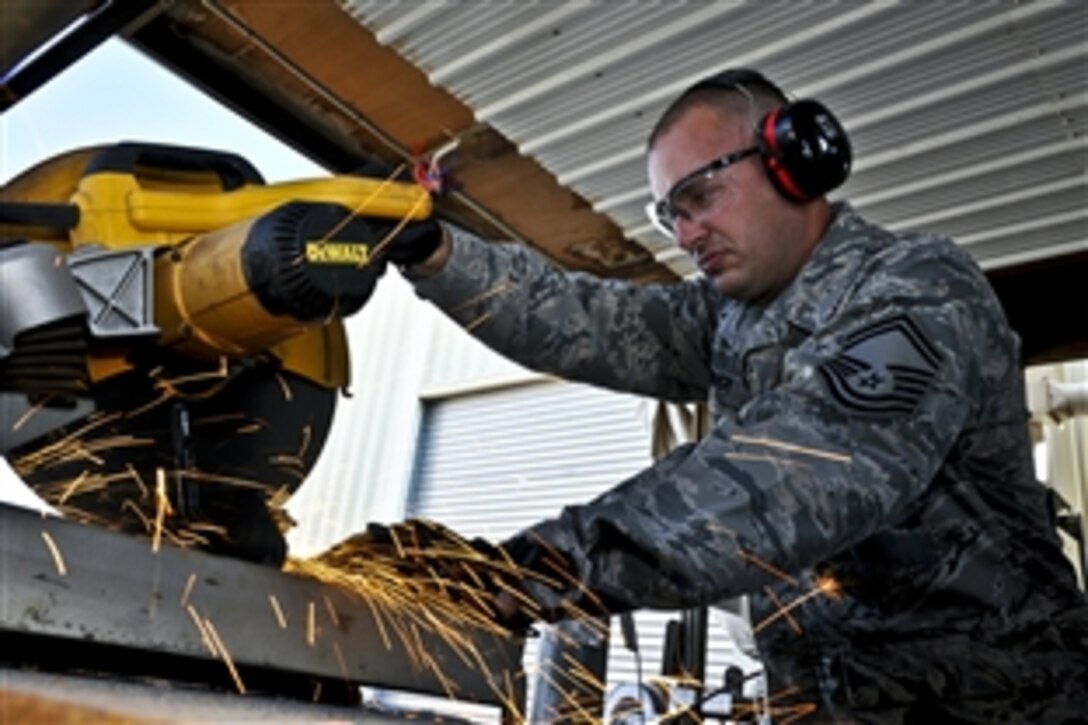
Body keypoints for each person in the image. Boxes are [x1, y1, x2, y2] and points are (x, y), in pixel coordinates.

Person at [375, 69, 1088, 722]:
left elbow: (802, 467)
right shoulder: (729, 319)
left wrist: (540, 568)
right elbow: (585, 318)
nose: (686, 233)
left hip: (995, 706)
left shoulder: (922, 287)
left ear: (796, 160)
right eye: (669, 215)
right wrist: (436, 252)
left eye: (699, 197)